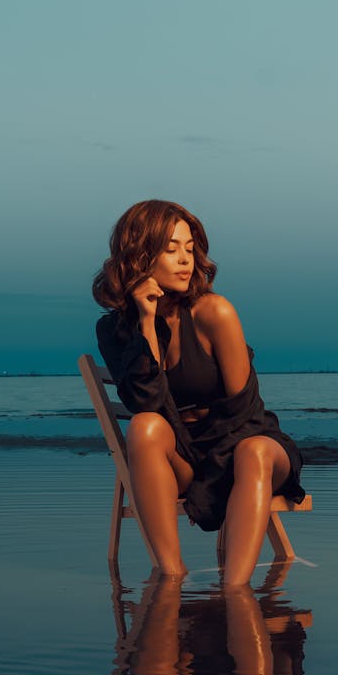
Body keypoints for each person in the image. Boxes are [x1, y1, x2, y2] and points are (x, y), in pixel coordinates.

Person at [93, 199, 305, 584]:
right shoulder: (115, 330)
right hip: (187, 460)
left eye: (190, 248)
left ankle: (236, 591)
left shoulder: (215, 312)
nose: (185, 260)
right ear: (139, 257)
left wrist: (210, 483)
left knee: (253, 450)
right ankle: (171, 577)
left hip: (248, 449)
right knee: (144, 426)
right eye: (171, 249)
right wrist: (146, 321)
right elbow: (147, 403)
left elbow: (245, 415)